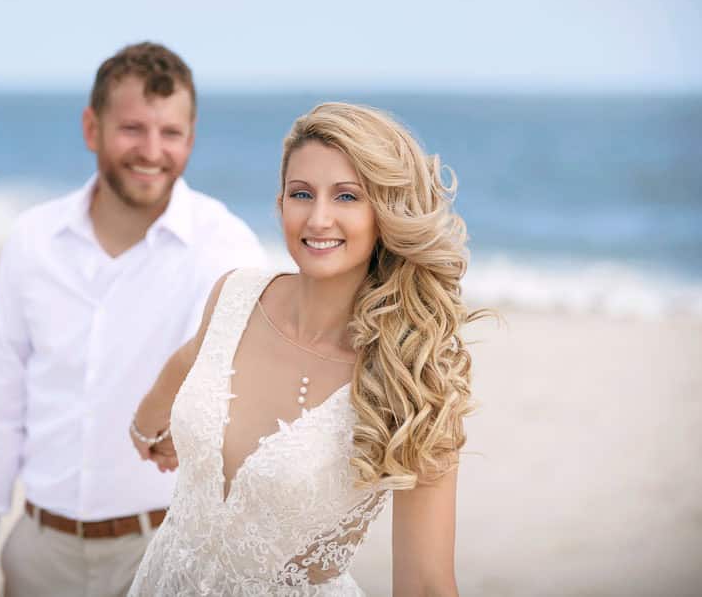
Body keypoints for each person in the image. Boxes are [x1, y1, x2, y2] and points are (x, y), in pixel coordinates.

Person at [128, 102, 489, 596]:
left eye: (346, 196)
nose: (318, 219)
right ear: (280, 204)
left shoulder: (414, 377)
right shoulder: (235, 295)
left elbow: (425, 582)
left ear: (384, 213)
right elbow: (192, 357)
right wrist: (147, 425)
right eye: (302, 193)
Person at [0, 42, 266, 597]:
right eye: (132, 128)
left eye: (170, 133)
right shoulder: (32, 241)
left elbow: (238, 386)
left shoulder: (226, 245)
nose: (151, 150)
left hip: (166, 550)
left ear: (190, 139)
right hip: (38, 552)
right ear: (91, 128)